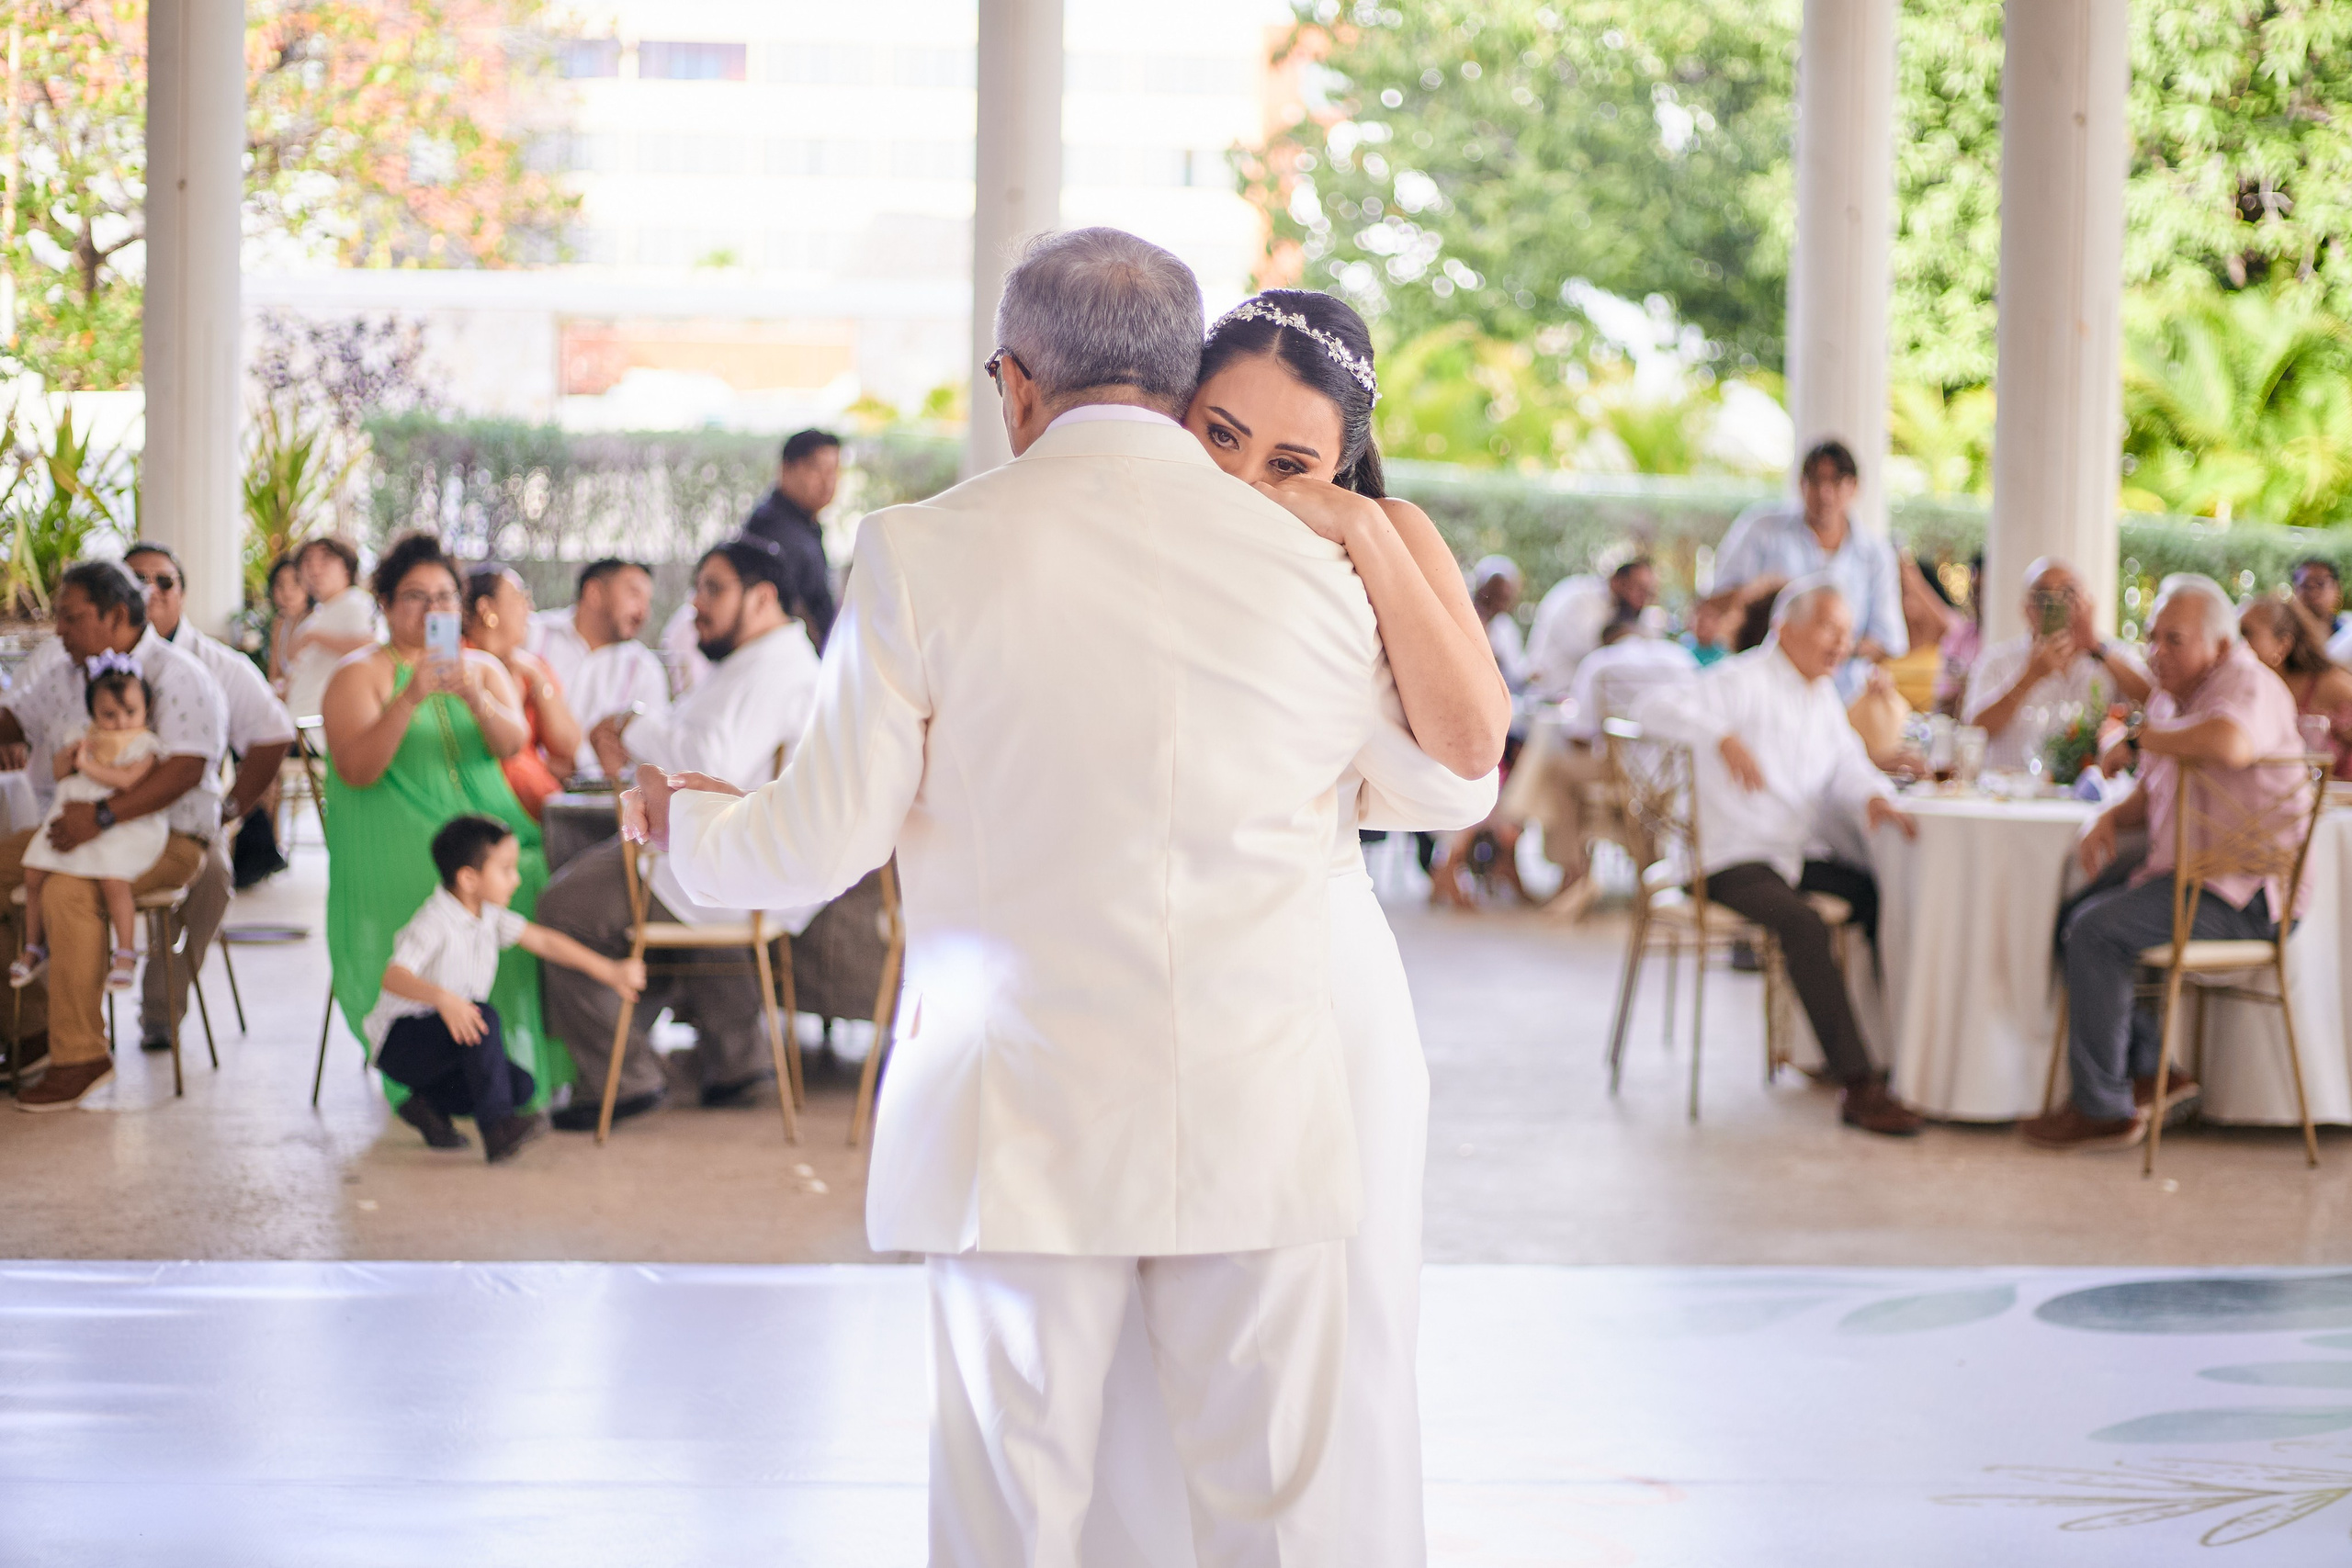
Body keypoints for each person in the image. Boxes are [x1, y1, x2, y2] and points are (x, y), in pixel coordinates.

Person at [625, 229, 1495, 1564]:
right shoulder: (1317, 569)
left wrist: (684, 825)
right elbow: (1447, 783)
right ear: (1176, 374)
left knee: (1013, 1514)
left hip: (1016, 1123)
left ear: (1013, 382)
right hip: (1256, 1107)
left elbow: (819, 840)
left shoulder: (922, 553)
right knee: (1276, 1513)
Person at [538, 536, 824, 1132]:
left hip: (730, 866)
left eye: (714, 588)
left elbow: (706, 757)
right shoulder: (757, 660)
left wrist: (633, 725)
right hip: (732, 858)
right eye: (698, 587)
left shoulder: (774, 668)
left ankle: (625, 1078)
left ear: (763, 597)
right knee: (626, 882)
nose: (696, 604)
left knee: (561, 907)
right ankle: (736, 1059)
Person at [1629, 578, 1925, 1135]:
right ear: (1786, 628)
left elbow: (1848, 765)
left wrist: (1876, 797)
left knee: (1870, 891)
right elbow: (1651, 707)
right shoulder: (1742, 679)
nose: (1842, 643)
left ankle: (1861, 1048)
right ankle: (1859, 1084)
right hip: (1724, 860)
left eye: (1847, 632)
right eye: (1829, 630)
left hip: (1783, 855)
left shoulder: (1822, 697)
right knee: (1805, 926)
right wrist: (1719, 735)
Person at [2028, 574, 2311, 1151]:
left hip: (2248, 897)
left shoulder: (2246, 682)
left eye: (2173, 640)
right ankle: (2153, 1073)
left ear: (2222, 646)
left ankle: (2103, 1108)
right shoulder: (2170, 697)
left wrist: (2138, 740)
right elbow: (2156, 792)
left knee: (2096, 931)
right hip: (2192, 881)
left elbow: (2230, 744)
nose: (2156, 653)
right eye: (2153, 638)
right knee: (2077, 913)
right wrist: (2110, 818)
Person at [318, 534, 565, 1111]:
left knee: (541, 872)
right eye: (415, 597)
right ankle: (449, 1064)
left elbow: (512, 744)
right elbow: (356, 770)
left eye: (446, 596)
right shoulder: (360, 674)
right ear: (385, 604)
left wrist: (474, 696)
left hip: (483, 830)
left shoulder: (482, 667)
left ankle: (521, 1058)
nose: (434, 610)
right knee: (478, 889)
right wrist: (410, 698)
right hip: (400, 837)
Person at [0, 560, 227, 1110]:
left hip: (166, 836)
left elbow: (184, 771)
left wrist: (100, 818)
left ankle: (82, 1057)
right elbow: (14, 722)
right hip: (73, 828)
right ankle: (31, 1032)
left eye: (71, 618)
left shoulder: (178, 675)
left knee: (69, 890)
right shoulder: (65, 671)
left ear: (116, 616)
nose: (59, 631)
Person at [368, 815, 645, 1162]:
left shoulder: (490, 915)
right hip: (401, 1042)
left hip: (450, 1038)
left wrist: (611, 971)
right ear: (469, 878)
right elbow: (393, 976)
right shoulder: (434, 921)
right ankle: (497, 1130)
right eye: (506, 869)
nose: (516, 879)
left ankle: (426, 1106)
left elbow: (544, 941)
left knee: (518, 1086)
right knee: (481, 1017)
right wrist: (444, 999)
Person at [122, 544, 298, 1045]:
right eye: (136, 580)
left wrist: (230, 809)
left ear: (182, 592)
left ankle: (161, 1007)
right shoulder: (93, 659)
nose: (150, 591)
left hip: (192, 816)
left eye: (164, 581)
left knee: (215, 875)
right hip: (110, 812)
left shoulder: (220, 665)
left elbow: (274, 733)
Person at [1702, 439, 1905, 699]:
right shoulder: (1762, 530)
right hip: (1764, 690)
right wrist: (1758, 593)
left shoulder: (1876, 555)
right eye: (1816, 481)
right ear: (1801, 483)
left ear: (1853, 487)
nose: (1825, 493)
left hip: (1843, 699)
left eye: (1835, 482)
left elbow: (1889, 642)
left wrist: (1832, 647)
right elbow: (1712, 602)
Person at [16, 658, 168, 994]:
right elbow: (59, 773)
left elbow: (127, 782)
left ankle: (126, 952)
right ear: (93, 713)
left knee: (113, 879)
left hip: (121, 827)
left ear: (147, 708)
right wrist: (70, 758)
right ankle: (33, 946)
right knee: (32, 874)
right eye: (108, 715)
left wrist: (86, 765)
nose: (120, 723)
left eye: (130, 712)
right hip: (70, 819)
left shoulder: (144, 745)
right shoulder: (84, 738)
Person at [1962, 557, 2152, 772]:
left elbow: (2153, 701)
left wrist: (2095, 648)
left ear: (2087, 602)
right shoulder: (1997, 660)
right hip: (2011, 795)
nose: (2057, 604)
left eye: (2068, 594)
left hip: (2088, 795)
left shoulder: (2114, 655)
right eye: (2044, 597)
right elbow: (1975, 730)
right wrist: (2030, 676)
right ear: (2027, 608)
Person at [526, 558, 671, 777]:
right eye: (634, 595)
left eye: (647, 601)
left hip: (603, 804)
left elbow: (652, 761)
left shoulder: (645, 670)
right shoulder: (533, 635)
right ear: (594, 592)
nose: (644, 612)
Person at [463, 565, 581, 820]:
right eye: (520, 597)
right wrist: (539, 764)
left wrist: (537, 678)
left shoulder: (531, 668)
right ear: (486, 610)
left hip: (539, 805)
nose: (529, 608)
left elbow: (568, 748)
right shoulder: (461, 665)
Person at [743, 427, 842, 650]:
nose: (828, 482)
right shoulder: (771, 529)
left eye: (834, 470)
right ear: (786, 469)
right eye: (817, 469)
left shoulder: (807, 524)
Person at [2240, 595, 2352, 780]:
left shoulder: (2330, 686)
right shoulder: (2248, 688)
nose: (2237, 644)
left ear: (2283, 645)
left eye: (2246, 633)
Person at [1524, 557, 1657, 701]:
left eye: (1648, 593)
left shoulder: (1623, 611)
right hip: (1548, 698)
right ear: (1617, 581)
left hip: (1575, 701)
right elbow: (1596, 652)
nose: (1643, 599)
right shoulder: (1580, 599)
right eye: (1639, 589)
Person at [283, 536, 379, 721]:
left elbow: (371, 649)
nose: (315, 569)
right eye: (307, 561)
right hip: (296, 722)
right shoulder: (316, 615)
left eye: (325, 559)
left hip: (322, 727)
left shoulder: (356, 602)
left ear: (346, 567)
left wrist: (316, 638)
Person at [1472, 556, 1528, 690]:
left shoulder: (1506, 628)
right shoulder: (1464, 621)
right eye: (1491, 596)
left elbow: (1518, 673)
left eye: (1503, 599)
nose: (1496, 604)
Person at [264, 554, 309, 698]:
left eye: (295, 584)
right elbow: (274, 676)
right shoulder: (280, 623)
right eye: (280, 585)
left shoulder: (316, 622)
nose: (287, 593)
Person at [2291, 557, 2348, 647]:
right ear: (2295, 590)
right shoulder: (2284, 634)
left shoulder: (2347, 631)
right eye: (2306, 585)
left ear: (2337, 588)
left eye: (2320, 583)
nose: (2314, 591)